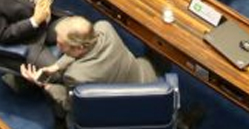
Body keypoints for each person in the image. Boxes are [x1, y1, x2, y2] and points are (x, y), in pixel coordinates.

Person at [20, 16, 159, 119]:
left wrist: (45, 85)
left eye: (61, 44)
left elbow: (69, 104)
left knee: (63, 111)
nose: (57, 47)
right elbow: (83, 50)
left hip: (121, 109)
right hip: (145, 81)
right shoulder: (104, 27)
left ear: (79, 47)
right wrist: (56, 66)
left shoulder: (76, 76)